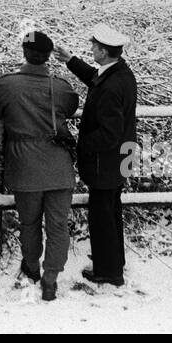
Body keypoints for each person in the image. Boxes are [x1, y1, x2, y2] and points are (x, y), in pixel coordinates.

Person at [0, 30, 79, 301]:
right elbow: (71, 107)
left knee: (29, 223)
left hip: (24, 164)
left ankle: (33, 268)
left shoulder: (5, 86)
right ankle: (51, 278)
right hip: (59, 165)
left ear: (24, 54)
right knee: (58, 225)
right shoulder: (60, 86)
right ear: (48, 56)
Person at [55, 24, 137, 287]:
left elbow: (109, 134)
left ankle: (107, 272)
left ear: (103, 51)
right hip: (119, 159)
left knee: (102, 215)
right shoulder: (119, 73)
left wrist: (82, 144)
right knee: (111, 210)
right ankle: (114, 262)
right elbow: (94, 78)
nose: (91, 48)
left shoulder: (112, 86)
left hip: (106, 161)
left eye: (94, 46)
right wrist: (71, 61)